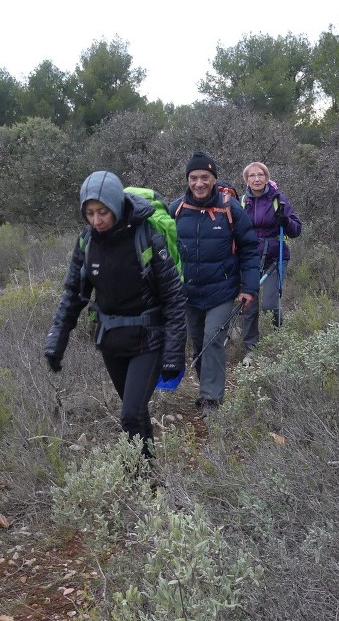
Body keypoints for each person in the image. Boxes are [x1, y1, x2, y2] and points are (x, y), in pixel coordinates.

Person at [44, 171, 186, 459]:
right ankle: (148, 472)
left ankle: (137, 475)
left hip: (149, 339)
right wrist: (56, 342)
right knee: (136, 413)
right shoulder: (87, 242)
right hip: (112, 340)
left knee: (130, 415)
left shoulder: (147, 236)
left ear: (116, 206)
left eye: (103, 212)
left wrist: (174, 353)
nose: (96, 221)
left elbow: (174, 298)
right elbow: (73, 295)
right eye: (90, 213)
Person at [170, 151, 260, 416]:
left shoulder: (230, 208)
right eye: (194, 178)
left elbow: (249, 249)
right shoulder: (176, 209)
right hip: (188, 293)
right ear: (188, 179)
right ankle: (206, 386)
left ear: (214, 179)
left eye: (205, 177)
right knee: (198, 343)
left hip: (222, 290)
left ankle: (211, 397)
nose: (199, 183)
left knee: (212, 340)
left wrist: (249, 288)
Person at [238, 161, 302, 363]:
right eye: (252, 176)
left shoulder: (279, 199)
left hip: (276, 256)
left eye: (260, 175)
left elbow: (296, 230)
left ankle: (280, 340)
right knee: (249, 303)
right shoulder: (241, 202)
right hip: (249, 258)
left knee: (270, 304)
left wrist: (287, 222)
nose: (256, 179)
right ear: (246, 180)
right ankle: (251, 348)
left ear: (266, 177)